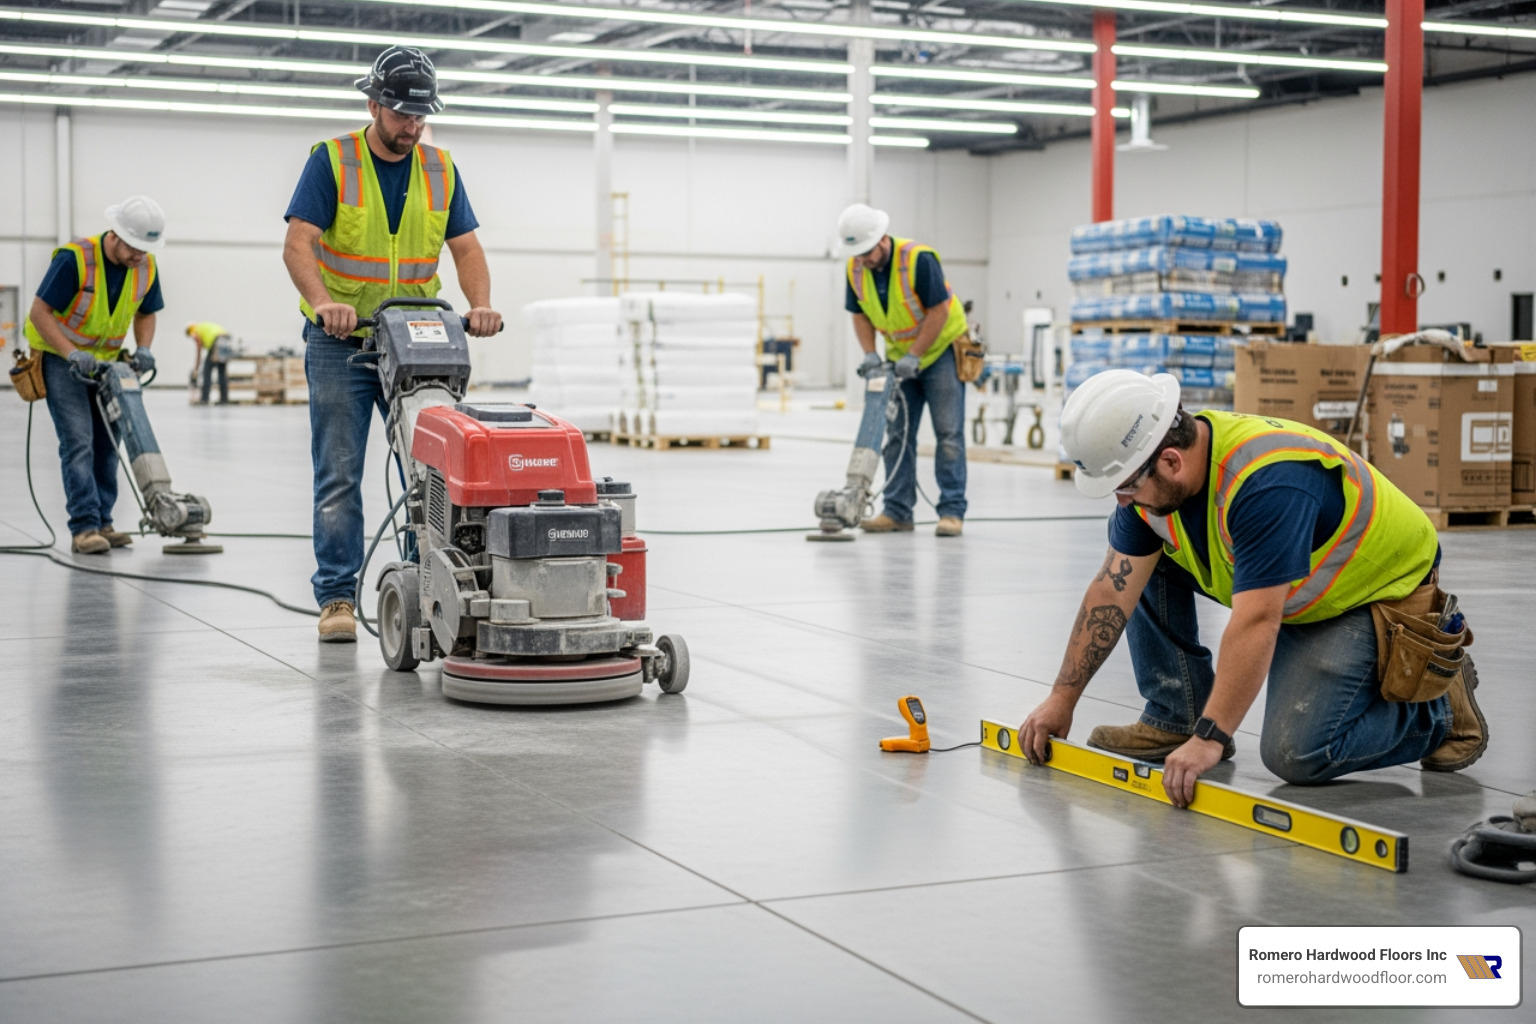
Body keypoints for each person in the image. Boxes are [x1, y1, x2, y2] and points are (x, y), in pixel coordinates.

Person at [1017, 370, 1485, 807]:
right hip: (1295, 589)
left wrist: (1210, 740)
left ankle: (1439, 711)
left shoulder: (1266, 484)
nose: (1122, 501)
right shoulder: (1157, 484)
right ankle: (1176, 714)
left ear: (1170, 460)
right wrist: (1062, 698)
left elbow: (1258, 619)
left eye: (1124, 486)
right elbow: (1111, 590)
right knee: (1144, 565)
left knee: (1296, 754)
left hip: (1374, 592)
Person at [282, 45, 503, 644]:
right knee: (339, 470)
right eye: (403, 114)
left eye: (421, 116)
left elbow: (466, 249)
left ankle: (423, 583)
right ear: (375, 103)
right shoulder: (332, 161)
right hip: (343, 341)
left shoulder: (439, 167)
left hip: (418, 339)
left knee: (430, 469)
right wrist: (325, 300)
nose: (413, 127)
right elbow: (298, 244)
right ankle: (335, 596)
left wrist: (478, 305)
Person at [23, 196, 165, 554]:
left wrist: (144, 347)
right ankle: (84, 528)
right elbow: (40, 312)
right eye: (134, 247)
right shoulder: (75, 259)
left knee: (107, 446)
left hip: (109, 364)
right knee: (78, 442)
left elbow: (146, 312)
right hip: (62, 359)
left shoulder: (146, 266)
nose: (138, 256)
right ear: (116, 235)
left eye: (144, 249)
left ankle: (104, 521)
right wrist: (72, 353)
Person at [836, 203, 970, 537]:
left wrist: (916, 354)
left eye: (867, 252)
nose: (863, 260)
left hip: (940, 351)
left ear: (882, 240)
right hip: (899, 359)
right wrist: (870, 353)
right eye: (858, 254)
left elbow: (939, 311)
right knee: (897, 435)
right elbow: (859, 314)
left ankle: (951, 512)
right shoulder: (855, 270)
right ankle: (897, 511)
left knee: (948, 434)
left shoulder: (918, 260)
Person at [186, 321, 231, 405]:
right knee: (221, 371)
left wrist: (196, 368)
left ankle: (205, 398)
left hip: (216, 341)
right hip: (226, 338)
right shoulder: (202, 327)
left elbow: (198, 350)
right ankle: (224, 399)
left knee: (207, 371)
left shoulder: (196, 332)